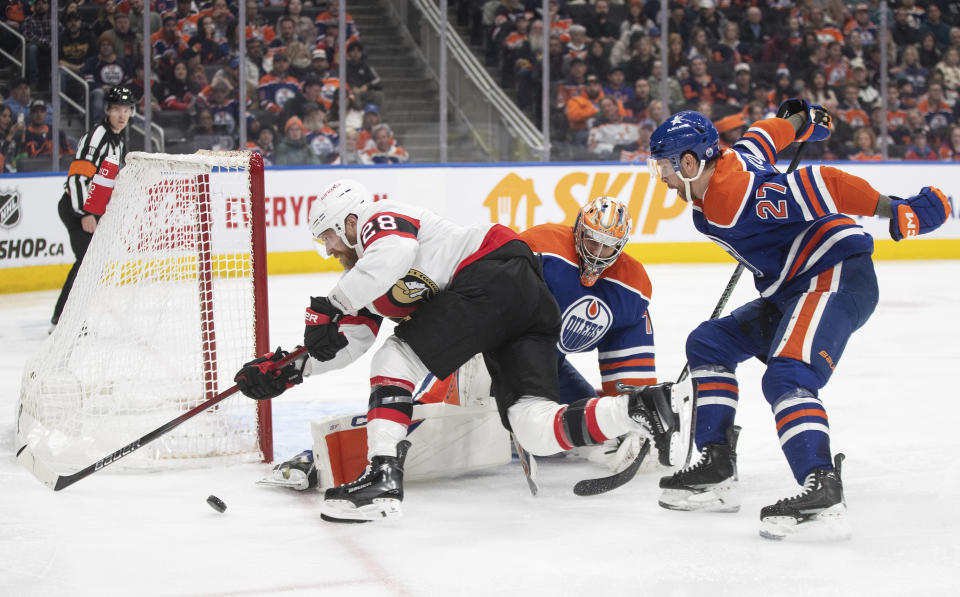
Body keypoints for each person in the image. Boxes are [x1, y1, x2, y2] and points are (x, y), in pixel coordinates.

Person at [231, 179, 679, 522]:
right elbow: (350, 343)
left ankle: (383, 479)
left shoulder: (378, 219)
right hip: (522, 307)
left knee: (397, 359)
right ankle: (636, 408)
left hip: (493, 270)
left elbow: (391, 255)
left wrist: (330, 305)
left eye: (327, 235)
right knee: (532, 425)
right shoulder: (363, 283)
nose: (327, 250)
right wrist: (292, 370)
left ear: (350, 221)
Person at [646, 104, 951, 540]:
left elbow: (822, 183)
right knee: (708, 344)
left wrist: (899, 210)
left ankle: (823, 493)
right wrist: (800, 121)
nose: (665, 180)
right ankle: (717, 467)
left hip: (834, 274)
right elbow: (762, 136)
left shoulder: (733, 200)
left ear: (691, 162)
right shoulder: (735, 158)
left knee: (788, 376)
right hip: (795, 288)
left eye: (666, 169)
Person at [52, 86, 135, 329]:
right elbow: (78, 177)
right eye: (117, 109)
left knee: (88, 265)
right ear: (108, 111)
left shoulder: (116, 140)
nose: (122, 115)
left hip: (89, 210)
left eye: (126, 110)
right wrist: (86, 213)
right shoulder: (98, 136)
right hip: (76, 208)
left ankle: (68, 316)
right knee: (86, 263)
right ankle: (65, 318)